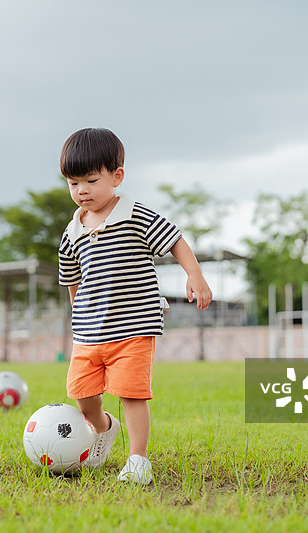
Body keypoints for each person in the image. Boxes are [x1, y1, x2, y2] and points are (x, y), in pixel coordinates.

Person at [57, 127, 213, 484]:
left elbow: (175, 240)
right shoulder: (71, 232)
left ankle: (138, 460)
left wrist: (195, 276)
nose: (81, 191)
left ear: (117, 176)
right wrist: (78, 318)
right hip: (88, 333)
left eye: (91, 181)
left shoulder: (135, 215)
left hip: (133, 328)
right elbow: (72, 281)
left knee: (131, 394)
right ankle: (103, 428)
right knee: (82, 395)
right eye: (73, 183)